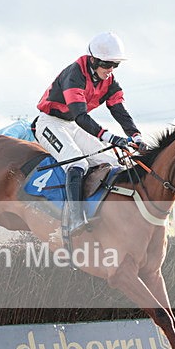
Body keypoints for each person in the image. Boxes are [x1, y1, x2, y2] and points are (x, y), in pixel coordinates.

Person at [35, 32, 146, 234]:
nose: (110, 70)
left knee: (113, 161)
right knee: (78, 162)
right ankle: (75, 219)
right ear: (93, 59)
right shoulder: (74, 74)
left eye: (115, 65)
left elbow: (119, 110)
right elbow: (80, 115)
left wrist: (136, 136)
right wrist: (111, 137)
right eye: (106, 64)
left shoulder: (109, 81)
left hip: (72, 125)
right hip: (50, 123)